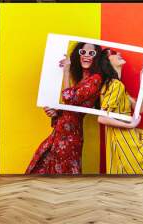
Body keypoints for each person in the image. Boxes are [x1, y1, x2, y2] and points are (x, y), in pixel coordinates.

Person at [26, 42, 103, 174]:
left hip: (71, 137)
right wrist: (56, 112)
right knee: (42, 167)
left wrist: (66, 71)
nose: (86, 56)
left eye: (92, 53)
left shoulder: (95, 79)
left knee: (64, 174)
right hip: (59, 132)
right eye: (83, 52)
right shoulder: (81, 81)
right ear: (77, 55)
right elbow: (71, 106)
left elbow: (68, 98)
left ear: (97, 57)